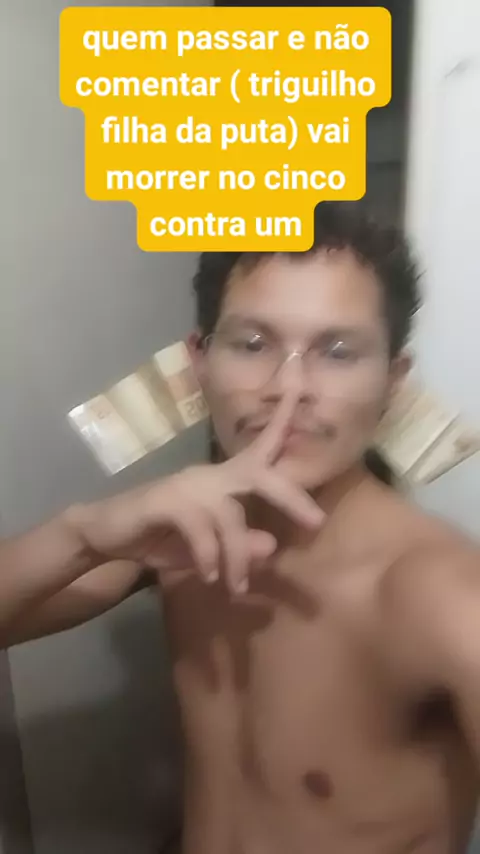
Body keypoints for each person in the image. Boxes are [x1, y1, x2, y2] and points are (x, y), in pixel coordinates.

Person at [3, 202, 480, 854]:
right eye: (252, 344)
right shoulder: (180, 531)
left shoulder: (437, 593)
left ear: (393, 382)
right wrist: (83, 533)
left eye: (338, 352)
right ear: (199, 362)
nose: (288, 388)